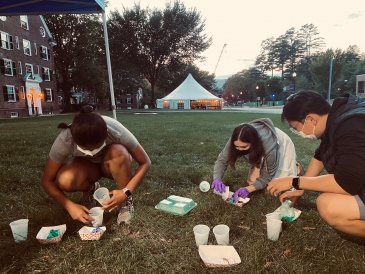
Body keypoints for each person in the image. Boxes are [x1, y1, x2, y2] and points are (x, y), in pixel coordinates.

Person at [267, 90, 365, 238]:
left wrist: (294, 181)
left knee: (328, 205)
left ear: (311, 119)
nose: (296, 132)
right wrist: (300, 189)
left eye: (296, 127)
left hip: (351, 181)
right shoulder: (338, 118)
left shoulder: (350, 127)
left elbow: (347, 182)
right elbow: (320, 156)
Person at [41, 106, 151, 225]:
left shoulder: (115, 129)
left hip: (112, 163)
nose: (93, 151)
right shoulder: (65, 139)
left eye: (98, 146)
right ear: (76, 141)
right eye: (87, 149)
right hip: (87, 168)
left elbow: (145, 162)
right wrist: (69, 205)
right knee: (65, 179)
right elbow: (47, 181)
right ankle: (91, 189)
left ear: (105, 135)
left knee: (118, 151)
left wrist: (126, 192)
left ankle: (125, 201)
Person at [212, 118, 302, 200]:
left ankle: (297, 168)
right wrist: (217, 178)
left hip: (281, 145)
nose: (239, 149)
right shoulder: (237, 137)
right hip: (259, 149)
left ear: (253, 143)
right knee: (252, 182)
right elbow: (222, 160)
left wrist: (247, 190)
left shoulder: (269, 148)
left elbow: (266, 176)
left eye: (244, 147)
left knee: (274, 190)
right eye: (237, 146)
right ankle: (260, 163)